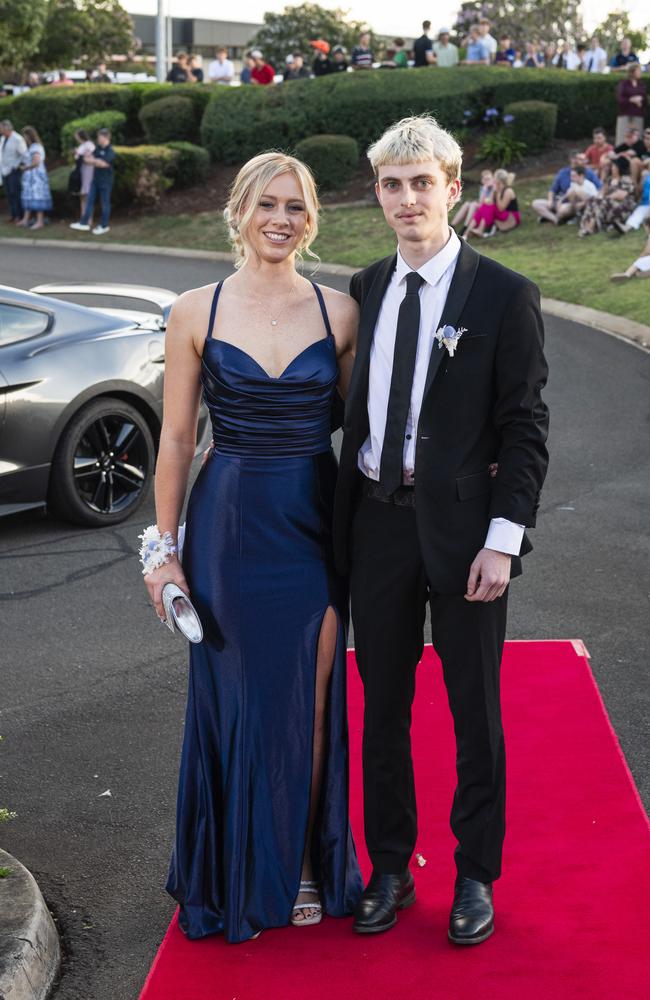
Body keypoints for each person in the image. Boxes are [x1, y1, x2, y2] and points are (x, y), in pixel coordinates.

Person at [332, 113, 549, 945]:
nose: (407, 198)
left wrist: (503, 537)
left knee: (473, 712)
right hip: (378, 526)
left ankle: (475, 875)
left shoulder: (504, 294)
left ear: (453, 191)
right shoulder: (365, 289)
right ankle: (389, 866)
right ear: (378, 195)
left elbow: (526, 427)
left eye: (423, 183)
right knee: (381, 706)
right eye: (392, 184)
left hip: (466, 537)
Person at [142, 150, 363, 942]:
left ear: (311, 219)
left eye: (296, 206)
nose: (281, 219)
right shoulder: (194, 310)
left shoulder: (340, 313)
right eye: (267, 204)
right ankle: (236, 865)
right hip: (229, 526)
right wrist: (162, 550)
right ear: (238, 211)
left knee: (309, 700)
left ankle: (301, 861)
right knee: (238, 703)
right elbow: (174, 440)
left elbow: (371, 425)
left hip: (312, 522)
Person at [531, 152, 601, 223]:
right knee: (536, 203)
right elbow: (553, 189)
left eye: (584, 159)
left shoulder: (588, 172)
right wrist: (550, 201)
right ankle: (555, 219)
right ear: (572, 160)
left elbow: (599, 189)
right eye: (580, 159)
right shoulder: (563, 173)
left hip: (575, 204)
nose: (584, 162)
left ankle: (556, 216)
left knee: (563, 209)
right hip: (560, 202)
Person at [70, 127, 115, 236]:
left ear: (105, 137)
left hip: (106, 180)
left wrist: (94, 161)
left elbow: (104, 164)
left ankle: (104, 225)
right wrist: (96, 161)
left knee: (105, 203)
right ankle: (84, 222)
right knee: (89, 200)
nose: (98, 139)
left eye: (100, 137)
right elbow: (86, 160)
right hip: (95, 180)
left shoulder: (110, 151)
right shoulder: (98, 149)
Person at [579, 161, 636, 237]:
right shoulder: (609, 180)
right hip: (608, 204)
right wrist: (601, 196)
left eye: (614, 167)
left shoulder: (626, 179)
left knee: (601, 202)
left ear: (619, 168)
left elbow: (621, 195)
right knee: (592, 200)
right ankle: (586, 226)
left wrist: (605, 197)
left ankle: (590, 227)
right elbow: (602, 192)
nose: (612, 168)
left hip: (622, 206)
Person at [17, 126, 52, 230]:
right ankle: (25, 219)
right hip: (31, 179)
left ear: (29, 136)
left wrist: (25, 168)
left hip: (36, 179)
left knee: (37, 198)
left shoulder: (36, 147)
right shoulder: (32, 147)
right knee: (29, 198)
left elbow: (36, 162)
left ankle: (39, 221)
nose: (23, 138)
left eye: (24, 136)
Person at [0, 119, 27, 224]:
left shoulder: (17, 139)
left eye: (1, 127)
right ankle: (13, 214)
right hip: (4, 170)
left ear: (7, 128)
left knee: (15, 193)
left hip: (13, 171)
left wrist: (16, 166)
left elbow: (24, 154)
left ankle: (19, 216)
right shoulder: (2, 139)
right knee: (9, 194)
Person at [451, 168, 493, 233]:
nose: (487, 181)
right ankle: (452, 225)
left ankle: (465, 226)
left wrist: (485, 189)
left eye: (489, 179)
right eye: (485, 179)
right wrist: (484, 189)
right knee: (467, 204)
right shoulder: (484, 188)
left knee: (473, 204)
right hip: (482, 206)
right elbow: (481, 201)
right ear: (482, 181)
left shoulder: (493, 189)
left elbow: (484, 202)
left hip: (487, 208)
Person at [615, 64, 647, 146]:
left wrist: (640, 101)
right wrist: (631, 100)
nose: (640, 72)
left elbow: (644, 98)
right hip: (625, 114)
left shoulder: (641, 84)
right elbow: (620, 98)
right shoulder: (624, 84)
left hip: (638, 114)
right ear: (632, 72)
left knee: (637, 138)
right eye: (638, 71)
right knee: (623, 138)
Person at [612, 169, 650, 233]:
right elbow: (640, 191)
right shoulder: (647, 175)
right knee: (638, 213)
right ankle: (626, 227)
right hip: (644, 204)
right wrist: (642, 180)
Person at [73, 128, 95, 223]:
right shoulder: (82, 145)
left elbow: (92, 156)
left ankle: (89, 218)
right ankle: (83, 218)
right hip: (81, 171)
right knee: (82, 195)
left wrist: (81, 156)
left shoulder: (89, 145)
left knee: (88, 194)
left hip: (88, 171)